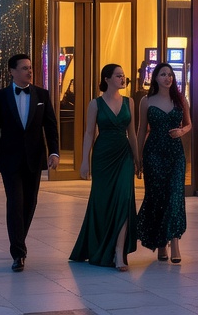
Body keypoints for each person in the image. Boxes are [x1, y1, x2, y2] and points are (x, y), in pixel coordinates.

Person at [0, 53, 59, 271]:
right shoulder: (0, 97)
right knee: (15, 203)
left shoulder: (42, 95)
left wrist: (54, 152)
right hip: (9, 160)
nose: (29, 71)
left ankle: (19, 239)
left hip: (34, 158)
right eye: (24, 68)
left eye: (30, 67)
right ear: (12, 72)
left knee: (30, 203)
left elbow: (51, 127)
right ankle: (18, 252)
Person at [70, 64, 139, 271]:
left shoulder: (130, 102)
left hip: (124, 155)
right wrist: (84, 160)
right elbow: (89, 133)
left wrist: (137, 158)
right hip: (103, 157)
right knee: (103, 202)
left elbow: (133, 133)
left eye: (124, 76)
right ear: (107, 79)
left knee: (124, 199)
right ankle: (100, 246)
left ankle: (119, 252)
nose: (123, 79)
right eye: (119, 76)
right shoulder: (95, 104)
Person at [136, 62, 189, 264]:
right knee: (157, 196)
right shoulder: (146, 101)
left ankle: (174, 243)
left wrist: (182, 131)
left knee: (175, 195)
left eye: (170, 74)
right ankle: (160, 243)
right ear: (155, 78)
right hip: (154, 153)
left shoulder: (180, 99)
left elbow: (188, 123)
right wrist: (138, 157)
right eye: (163, 74)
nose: (168, 78)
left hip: (175, 154)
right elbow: (141, 130)